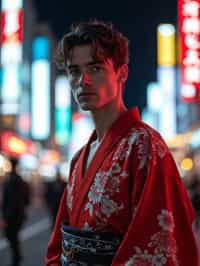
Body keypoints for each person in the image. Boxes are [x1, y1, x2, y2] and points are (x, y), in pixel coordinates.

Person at [46, 20, 199, 266]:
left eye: (95, 68)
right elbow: (58, 245)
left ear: (122, 73)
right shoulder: (78, 158)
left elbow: (158, 245)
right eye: (74, 71)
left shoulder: (144, 145)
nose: (83, 80)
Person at [1, 157, 30, 266]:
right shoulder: (22, 181)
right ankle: (17, 257)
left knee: (11, 236)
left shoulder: (9, 181)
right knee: (14, 236)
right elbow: (27, 200)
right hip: (20, 214)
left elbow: (7, 201)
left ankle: (16, 258)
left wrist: (5, 217)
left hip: (11, 215)